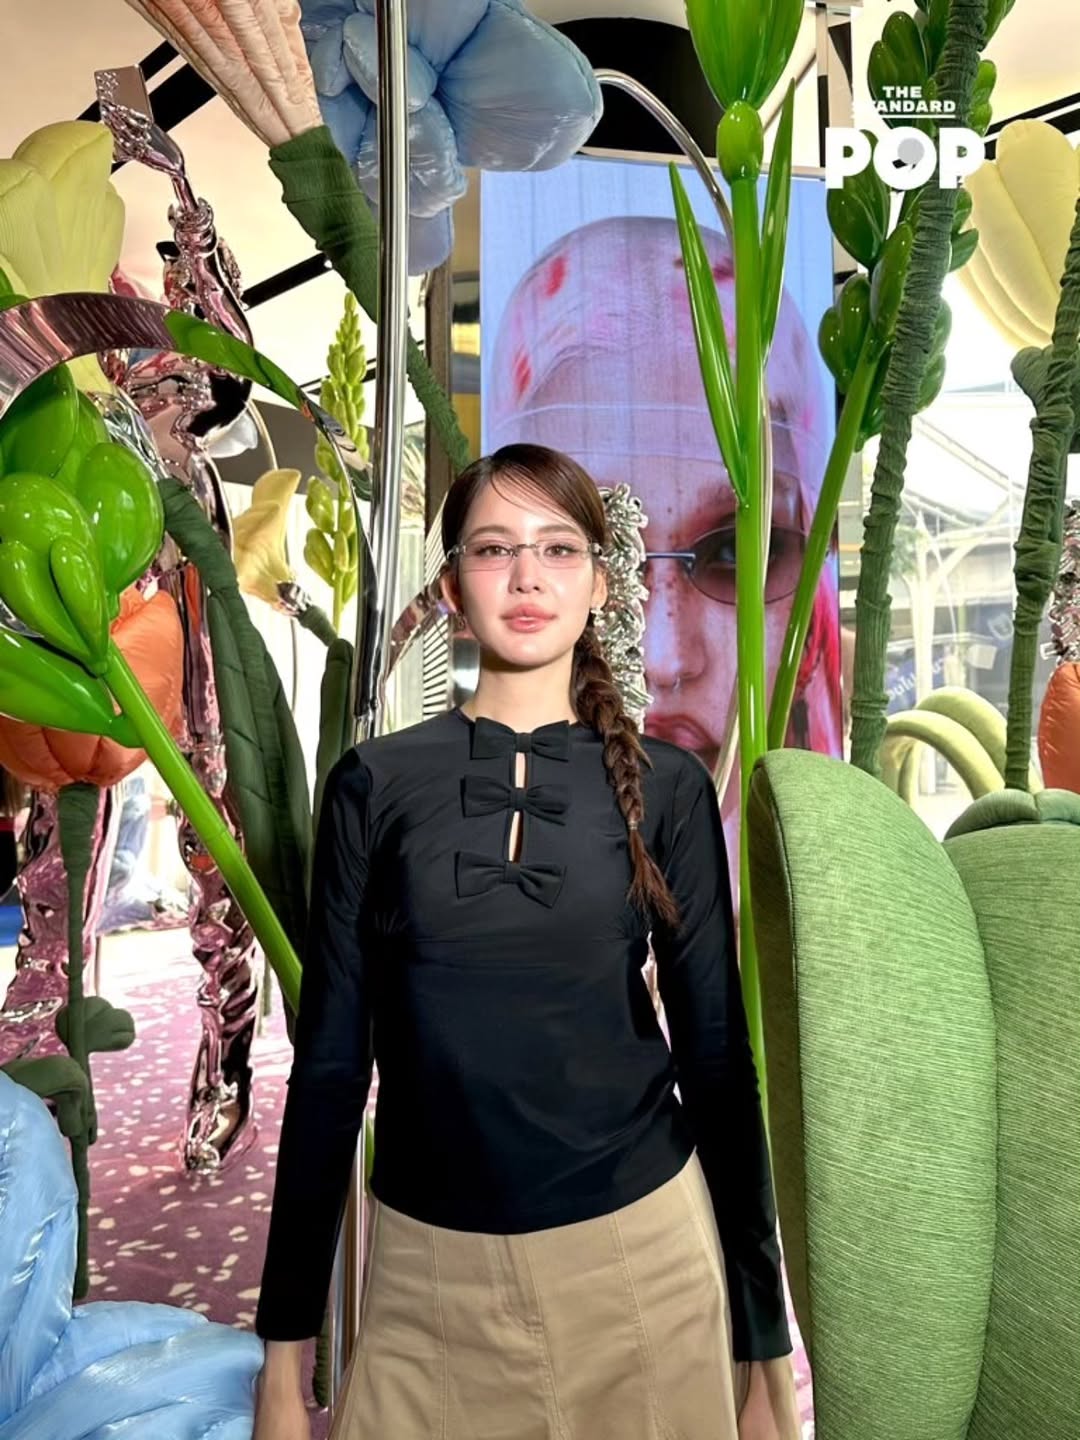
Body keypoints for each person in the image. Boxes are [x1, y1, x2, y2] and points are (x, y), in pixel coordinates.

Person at [252, 445, 797, 1439]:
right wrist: (282, 1362)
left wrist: (765, 1352)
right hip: (426, 1286)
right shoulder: (372, 785)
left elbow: (718, 1065)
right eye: (494, 548)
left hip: (645, 1266)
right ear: (452, 588)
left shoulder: (669, 788)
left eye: (558, 548)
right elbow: (330, 1073)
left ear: (599, 583)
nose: (527, 576)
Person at [487, 215, 843, 855]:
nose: (665, 659)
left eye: (734, 553)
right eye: (597, 554)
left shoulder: (841, 911)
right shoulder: (450, 878)